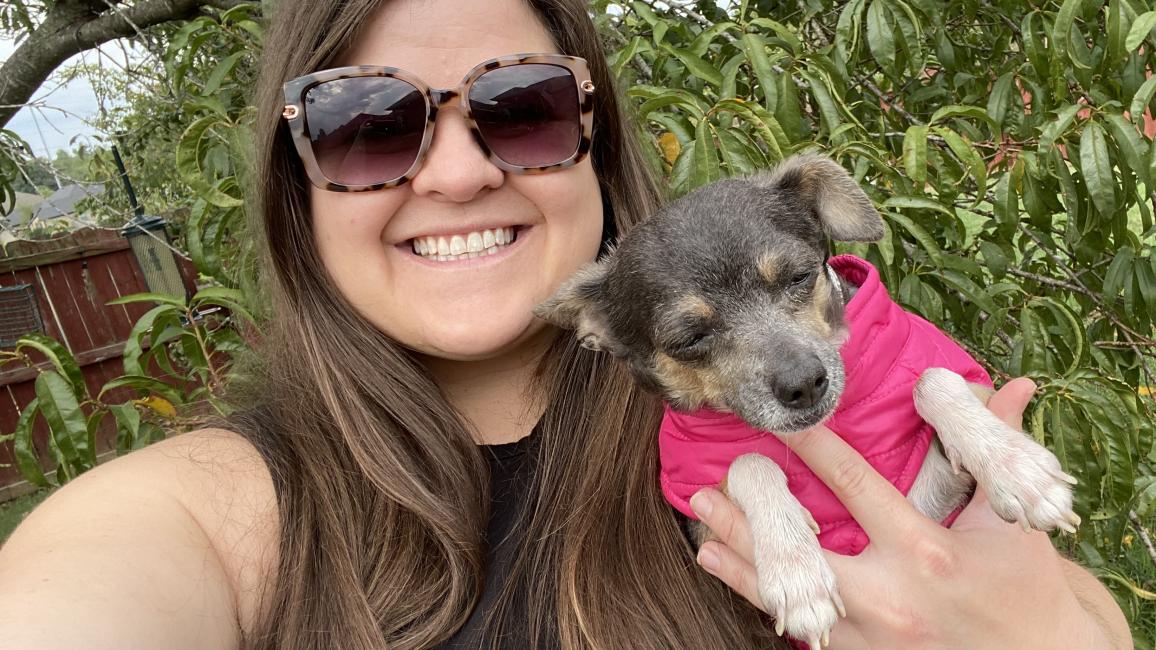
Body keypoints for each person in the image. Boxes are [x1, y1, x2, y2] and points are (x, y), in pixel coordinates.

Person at [0, 0, 1131, 648]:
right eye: (363, 123)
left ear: (594, 135)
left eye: (520, 104)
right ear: (293, 184)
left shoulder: (776, 388)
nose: (452, 173)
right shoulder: (212, 512)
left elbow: (1075, 607)